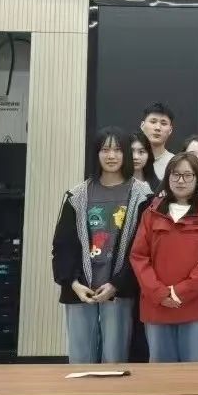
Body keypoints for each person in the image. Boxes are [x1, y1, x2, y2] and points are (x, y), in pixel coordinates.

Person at [52, 127, 152, 364]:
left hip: (119, 289)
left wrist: (117, 284)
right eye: (105, 150)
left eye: (118, 150)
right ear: (96, 154)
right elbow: (62, 246)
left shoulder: (143, 195)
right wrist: (73, 283)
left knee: (115, 359)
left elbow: (144, 248)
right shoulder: (77, 195)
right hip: (80, 289)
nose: (111, 156)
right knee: (80, 359)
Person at [130, 153, 198, 362]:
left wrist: (180, 292)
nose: (181, 181)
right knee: (162, 375)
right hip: (157, 305)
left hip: (197, 307)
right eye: (175, 174)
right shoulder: (151, 212)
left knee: (195, 373)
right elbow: (139, 256)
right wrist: (160, 293)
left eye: (188, 175)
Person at [140, 102, 175, 180]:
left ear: (170, 130)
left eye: (163, 123)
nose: (158, 128)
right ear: (142, 125)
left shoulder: (174, 163)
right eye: (153, 122)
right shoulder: (129, 159)